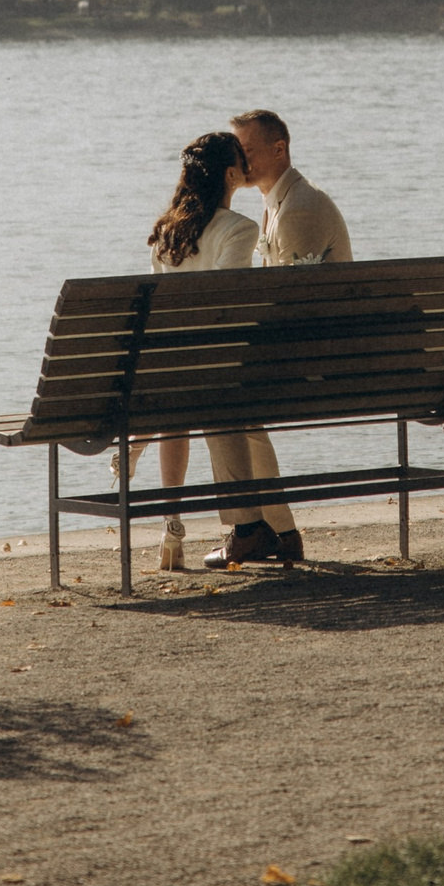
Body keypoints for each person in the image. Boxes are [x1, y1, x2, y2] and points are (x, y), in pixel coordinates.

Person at [200, 109, 354, 571]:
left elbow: (293, 307)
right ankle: (276, 533)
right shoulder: (280, 202)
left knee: (218, 399)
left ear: (279, 149)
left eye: (247, 151)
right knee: (233, 403)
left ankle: (252, 530)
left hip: (319, 363)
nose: (240, 162)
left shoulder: (299, 209)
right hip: (323, 353)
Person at [137, 131, 256, 572]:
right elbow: (224, 305)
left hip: (171, 368)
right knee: (197, 389)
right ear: (230, 174)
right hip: (217, 371)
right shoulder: (240, 229)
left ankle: (171, 525)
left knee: (174, 407)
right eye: (242, 161)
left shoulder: (167, 233)